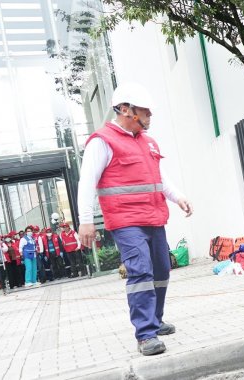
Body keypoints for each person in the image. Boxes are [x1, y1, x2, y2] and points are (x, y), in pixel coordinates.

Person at [77, 82, 193, 356]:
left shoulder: (148, 142)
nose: (150, 115)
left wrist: (178, 197)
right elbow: (87, 182)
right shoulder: (102, 141)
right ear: (126, 109)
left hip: (154, 217)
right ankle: (145, 334)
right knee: (141, 272)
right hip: (126, 221)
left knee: (161, 270)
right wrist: (85, 220)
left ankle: (155, 319)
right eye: (145, 111)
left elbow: (159, 177)